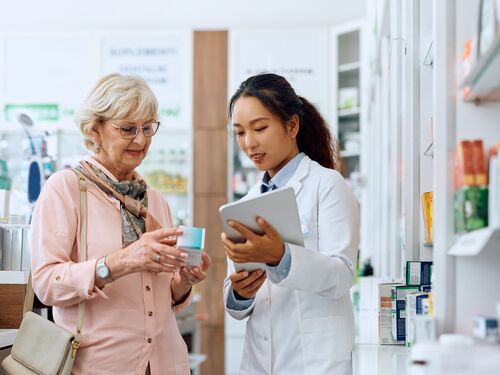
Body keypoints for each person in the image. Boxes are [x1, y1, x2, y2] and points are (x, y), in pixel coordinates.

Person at [31, 73, 211, 375]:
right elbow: (47, 285)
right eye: (127, 128)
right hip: (100, 366)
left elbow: (161, 297)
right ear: (95, 129)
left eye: (148, 127)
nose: (140, 140)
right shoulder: (67, 189)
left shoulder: (155, 200)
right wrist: (120, 261)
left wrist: (184, 280)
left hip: (165, 364)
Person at [222, 73, 359, 374]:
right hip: (260, 361)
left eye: (259, 128)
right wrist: (241, 293)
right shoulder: (244, 202)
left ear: (292, 125)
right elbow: (234, 304)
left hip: (316, 361)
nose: (249, 143)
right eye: (240, 132)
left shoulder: (327, 185)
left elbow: (343, 274)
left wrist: (280, 256)